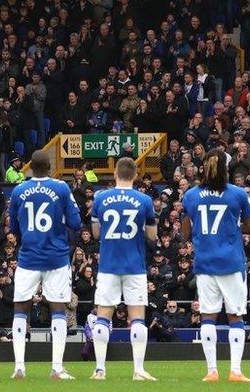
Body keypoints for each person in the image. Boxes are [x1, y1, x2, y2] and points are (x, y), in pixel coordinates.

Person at [180, 148, 250, 382]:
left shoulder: (191, 195)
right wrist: (232, 228)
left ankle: (211, 371)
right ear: (226, 168)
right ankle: (235, 371)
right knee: (235, 316)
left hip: (204, 263)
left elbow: (185, 232)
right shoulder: (237, 194)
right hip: (232, 263)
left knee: (208, 316)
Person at [7, 150, 81, 379]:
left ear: (30, 168)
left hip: (28, 257)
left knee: (21, 308)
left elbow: (14, 228)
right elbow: (76, 222)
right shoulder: (61, 188)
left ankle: (19, 366)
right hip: (56, 258)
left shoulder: (19, 190)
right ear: (49, 167)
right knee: (58, 308)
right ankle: (57, 368)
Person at [89, 157, 156, 381]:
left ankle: (100, 369)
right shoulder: (144, 200)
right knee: (137, 317)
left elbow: (96, 233)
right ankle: (138, 370)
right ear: (135, 175)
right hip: (134, 265)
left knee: (103, 316)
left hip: (108, 264)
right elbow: (152, 236)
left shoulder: (101, 198)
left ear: (115, 173)